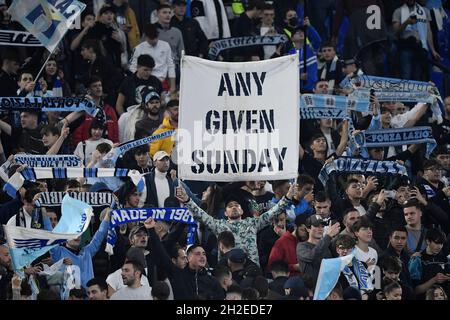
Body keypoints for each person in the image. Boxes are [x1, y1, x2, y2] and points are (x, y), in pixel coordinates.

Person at [175, 183, 297, 267]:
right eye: (230, 206)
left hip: (252, 272)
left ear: (242, 211)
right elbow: (200, 214)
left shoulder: (253, 223)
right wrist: (187, 200)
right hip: (228, 273)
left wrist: (287, 197)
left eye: (236, 205)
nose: (233, 207)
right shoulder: (218, 225)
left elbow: (273, 212)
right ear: (225, 212)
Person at [49, 209, 110, 289]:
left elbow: (100, 233)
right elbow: (49, 235)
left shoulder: (87, 251)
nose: (77, 236)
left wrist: (109, 211)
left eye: (79, 233)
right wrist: (40, 208)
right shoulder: (58, 252)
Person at [392, 0, 441, 80]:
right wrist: (406, 22)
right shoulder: (398, 11)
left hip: (420, 48)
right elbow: (396, 33)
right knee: (406, 77)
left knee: (418, 77)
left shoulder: (425, 11)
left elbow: (428, 31)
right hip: (406, 48)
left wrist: (433, 51)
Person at [129, 23, 176, 94]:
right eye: (151, 38)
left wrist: (173, 86)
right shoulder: (138, 48)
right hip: (144, 82)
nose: (154, 40)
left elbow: (171, 66)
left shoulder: (165, 46)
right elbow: (133, 67)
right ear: (146, 37)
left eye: (156, 37)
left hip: (162, 81)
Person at [72, 76, 119, 146]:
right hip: (88, 150)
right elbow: (77, 134)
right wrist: (82, 149)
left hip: (108, 150)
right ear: (89, 90)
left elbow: (115, 133)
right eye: (95, 86)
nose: (98, 88)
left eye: (100, 85)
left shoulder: (110, 110)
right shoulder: (83, 110)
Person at [297, 215, 340, 282]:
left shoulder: (327, 244)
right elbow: (312, 256)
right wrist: (328, 236)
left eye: (322, 226)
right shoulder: (302, 246)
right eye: (316, 226)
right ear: (308, 228)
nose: (320, 229)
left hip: (329, 285)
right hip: (313, 289)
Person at [409, 228, 450, 298]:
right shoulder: (417, 260)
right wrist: (434, 280)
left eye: (441, 243)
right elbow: (415, 290)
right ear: (428, 241)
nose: (439, 246)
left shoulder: (446, 259)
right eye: (437, 243)